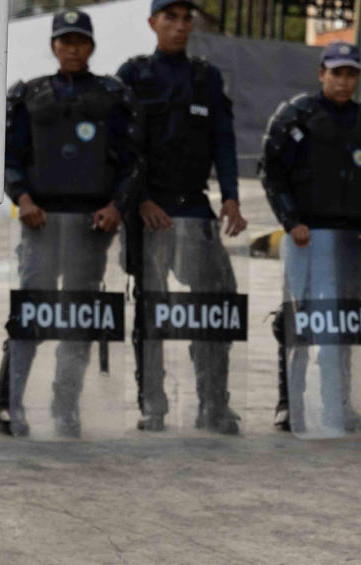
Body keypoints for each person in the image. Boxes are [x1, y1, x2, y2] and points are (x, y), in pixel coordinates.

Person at [0, 9, 141, 438]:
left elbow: (132, 160)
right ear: (53, 46)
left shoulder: (114, 96)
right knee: (30, 315)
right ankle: (8, 402)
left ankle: (65, 405)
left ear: (91, 46)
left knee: (79, 318)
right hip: (40, 221)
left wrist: (117, 206)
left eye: (80, 41)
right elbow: (6, 156)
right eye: (65, 40)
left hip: (91, 225)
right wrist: (21, 197)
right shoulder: (27, 95)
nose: (72, 48)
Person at [118, 0, 248, 433]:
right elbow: (121, 148)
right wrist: (139, 201)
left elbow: (223, 139)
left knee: (216, 302)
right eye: (169, 18)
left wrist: (230, 197)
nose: (178, 26)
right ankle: (152, 404)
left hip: (194, 205)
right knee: (153, 308)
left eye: (185, 18)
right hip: (149, 209)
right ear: (152, 23)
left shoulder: (205, 78)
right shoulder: (133, 75)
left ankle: (213, 403)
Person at [261, 42, 361, 435]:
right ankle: (290, 403)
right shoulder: (296, 115)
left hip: (351, 242)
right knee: (299, 323)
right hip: (306, 238)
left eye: (351, 74)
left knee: (342, 327)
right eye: (336, 73)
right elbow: (272, 171)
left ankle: (339, 403)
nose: (344, 81)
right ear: (321, 73)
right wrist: (290, 219)